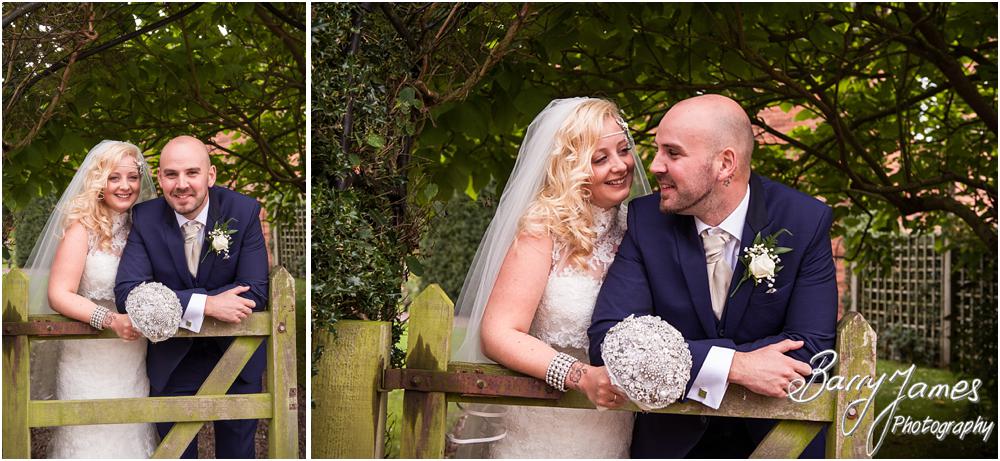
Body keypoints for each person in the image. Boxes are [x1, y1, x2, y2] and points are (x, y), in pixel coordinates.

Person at [588, 94, 838, 458]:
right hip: (671, 441)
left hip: (777, 439)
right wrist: (735, 366)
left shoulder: (803, 221)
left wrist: (678, 360)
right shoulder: (646, 221)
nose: (654, 165)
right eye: (657, 150)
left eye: (673, 153)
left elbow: (811, 349)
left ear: (725, 164)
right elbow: (610, 339)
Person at [451, 98, 651, 458]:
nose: (621, 165)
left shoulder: (637, 230)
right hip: (543, 422)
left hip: (612, 427)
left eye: (623, 150)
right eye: (600, 158)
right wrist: (579, 376)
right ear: (570, 166)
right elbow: (499, 333)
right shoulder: (543, 231)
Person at [114, 135, 269, 459]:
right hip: (172, 357)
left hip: (236, 352)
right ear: (160, 178)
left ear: (210, 175)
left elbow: (255, 292)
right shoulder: (145, 218)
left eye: (192, 173)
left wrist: (170, 300)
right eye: (171, 174)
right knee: (175, 452)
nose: (181, 184)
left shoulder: (243, 211)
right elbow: (129, 293)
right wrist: (207, 304)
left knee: (238, 454)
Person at [24, 140, 159, 458]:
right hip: (88, 355)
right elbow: (59, 294)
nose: (125, 186)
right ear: (99, 181)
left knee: (131, 434)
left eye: (132, 177)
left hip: (133, 357)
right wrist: (110, 320)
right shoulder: (82, 229)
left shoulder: (144, 228)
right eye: (114, 177)